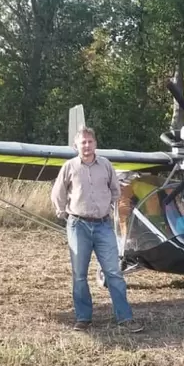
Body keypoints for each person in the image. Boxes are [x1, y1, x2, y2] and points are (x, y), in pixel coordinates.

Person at [51, 126, 144, 333]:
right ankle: (83, 318)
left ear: (95, 144)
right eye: (82, 142)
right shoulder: (69, 166)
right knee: (79, 274)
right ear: (76, 145)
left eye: (90, 142)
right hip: (78, 225)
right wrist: (62, 212)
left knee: (114, 272)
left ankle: (125, 318)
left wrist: (107, 207)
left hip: (103, 225)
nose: (86, 145)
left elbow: (115, 190)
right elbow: (58, 192)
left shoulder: (106, 165)